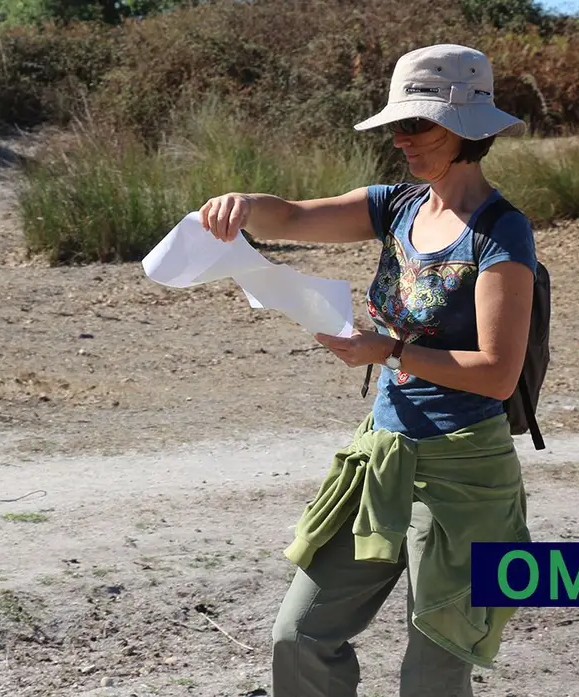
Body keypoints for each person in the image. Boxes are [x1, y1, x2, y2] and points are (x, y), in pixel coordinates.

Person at [199, 44, 537, 697]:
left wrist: (391, 352)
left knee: (431, 675)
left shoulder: (502, 232)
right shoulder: (397, 206)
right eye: (396, 126)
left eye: (416, 125)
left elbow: (497, 373)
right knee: (298, 637)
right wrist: (242, 204)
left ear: (468, 129)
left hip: (464, 475)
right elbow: (295, 216)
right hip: (382, 460)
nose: (400, 140)